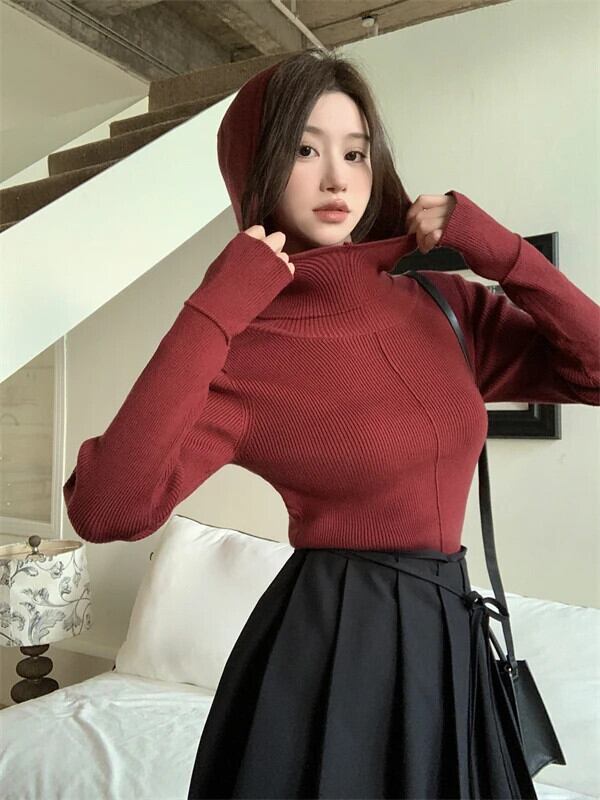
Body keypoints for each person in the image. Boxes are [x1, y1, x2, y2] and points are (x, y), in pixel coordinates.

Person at [63, 48, 600, 799]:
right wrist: (215, 308)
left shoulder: (442, 304)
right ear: (258, 166)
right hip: (327, 655)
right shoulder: (241, 346)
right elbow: (107, 509)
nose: (337, 179)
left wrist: (507, 255)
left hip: (449, 637)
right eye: (305, 149)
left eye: (355, 153)